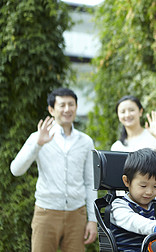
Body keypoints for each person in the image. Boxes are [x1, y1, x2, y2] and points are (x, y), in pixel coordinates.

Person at [10, 88, 97, 252]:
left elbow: (90, 181)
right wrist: (38, 145)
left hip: (76, 215)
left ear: (76, 108)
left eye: (71, 104)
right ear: (51, 110)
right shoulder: (38, 137)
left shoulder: (86, 141)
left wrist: (92, 220)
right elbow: (16, 169)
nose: (67, 109)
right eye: (62, 105)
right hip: (46, 212)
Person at [110, 148, 156, 251]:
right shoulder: (119, 206)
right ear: (127, 181)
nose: (149, 192)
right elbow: (134, 221)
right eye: (143, 186)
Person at [111, 95, 156, 165]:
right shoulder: (117, 147)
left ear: (140, 112)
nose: (127, 115)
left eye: (131, 110)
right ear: (118, 116)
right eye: (123, 112)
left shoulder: (154, 136)